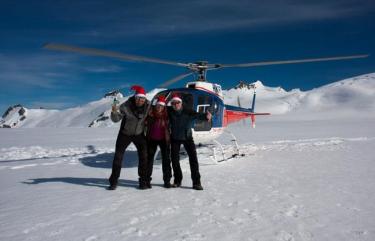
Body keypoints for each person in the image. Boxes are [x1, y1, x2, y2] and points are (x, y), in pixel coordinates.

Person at [108, 85, 150, 190]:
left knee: (144, 156)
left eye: (143, 98)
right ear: (135, 97)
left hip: (139, 134)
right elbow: (115, 119)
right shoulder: (125, 106)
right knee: (118, 157)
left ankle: (143, 181)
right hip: (125, 134)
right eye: (139, 98)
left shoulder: (148, 105)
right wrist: (114, 110)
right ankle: (114, 181)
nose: (141, 100)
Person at [167, 93, 212, 190]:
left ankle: (196, 183)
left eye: (177, 103)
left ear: (181, 103)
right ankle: (177, 181)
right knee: (174, 160)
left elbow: (198, 115)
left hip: (187, 138)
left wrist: (206, 116)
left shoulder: (188, 112)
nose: (175, 105)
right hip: (175, 138)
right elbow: (159, 107)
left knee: (193, 159)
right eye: (173, 103)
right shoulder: (170, 111)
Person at [145, 96, 172, 188]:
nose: (159, 107)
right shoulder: (150, 113)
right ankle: (147, 180)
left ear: (164, 107)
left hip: (164, 140)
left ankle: (167, 180)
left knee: (166, 160)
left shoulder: (167, 115)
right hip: (152, 139)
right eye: (158, 106)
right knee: (149, 160)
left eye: (161, 106)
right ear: (155, 106)